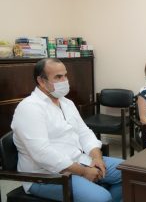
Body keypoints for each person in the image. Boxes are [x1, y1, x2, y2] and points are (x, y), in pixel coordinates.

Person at [11, 58, 123, 202]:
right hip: (46, 175)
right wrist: (83, 172)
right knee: (101, 198)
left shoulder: (66, 102)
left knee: (129, 173)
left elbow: (84, 132)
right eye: (58, 77)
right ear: (41, 81)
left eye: (65, 75)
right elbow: (42, 153)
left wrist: (96, 157)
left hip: (79, 160)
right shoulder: (29, 108)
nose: (64, 81)